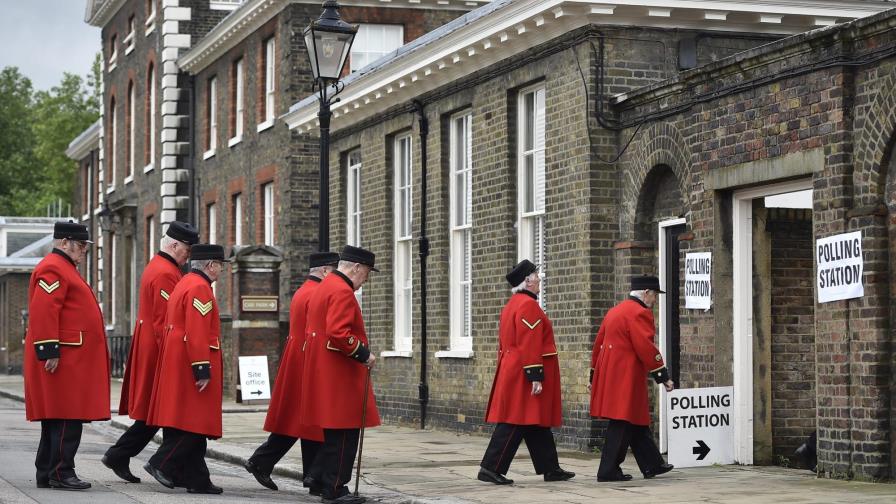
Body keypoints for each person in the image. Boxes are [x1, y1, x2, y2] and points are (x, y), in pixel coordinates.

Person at [103, 222, 198, 483]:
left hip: (151, 346)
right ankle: (157, 464)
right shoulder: (166, 273)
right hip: (158, 350)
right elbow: (163, 320)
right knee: (161, 410)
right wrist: (173, 356)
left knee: (155, 412)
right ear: (174, 245)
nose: (189, 255)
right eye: (187, 249)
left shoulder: (161, 267)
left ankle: (122, 456)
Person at [24, 221, 110, 490]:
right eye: (81, 245)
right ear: (64, 243)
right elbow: (45, 309)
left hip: (70, 356)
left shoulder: (64, 267)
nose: (84, 250)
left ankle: (46, 471)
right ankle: (61, 472)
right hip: (64, 356)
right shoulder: (54, 267)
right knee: (66, 417)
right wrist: (49, 348)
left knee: (57, 417)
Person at [245, 251, 340, 494]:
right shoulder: (317, 293)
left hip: (298, 358)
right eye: (335, 270)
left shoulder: (304, 290)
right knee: (312, 422)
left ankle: (265, 463)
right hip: (308, 360)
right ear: (325, 271)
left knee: (300, 422)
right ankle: (312, 477)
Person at [478, 259, 575, 485]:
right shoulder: (528, 306)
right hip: (524, 371)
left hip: (515, 368)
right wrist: (535, 375)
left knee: (534, 420)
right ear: (527, 281)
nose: (539, 280)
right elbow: (529, 342)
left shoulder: (514, 303)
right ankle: (490, 467)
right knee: (515, 420)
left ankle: (550, 468)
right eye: (536, 276)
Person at [144, 244, 230, 494]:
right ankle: (161, 463)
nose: (221, 271)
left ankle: (197, 479)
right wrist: (201, 367)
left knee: (188, 420)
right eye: (220, 266)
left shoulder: (185, 282)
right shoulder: (200, 288)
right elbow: (197, 330)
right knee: (195, 422)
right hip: (192, 361)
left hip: (180, 360)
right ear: (211, 265)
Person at [300, 245, 379, 504]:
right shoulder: (343, 291)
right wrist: (364, 354)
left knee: (334, 433)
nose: (366, 279)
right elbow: (338, 332)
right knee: (345, 433)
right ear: (356, 267)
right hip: (340, 372)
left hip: (325, 369)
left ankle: (318, 477)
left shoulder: (326, 285)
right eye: (366, 272)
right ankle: (334, 488)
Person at [590, 275, 675, 482]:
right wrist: (662, 375)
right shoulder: (640, 313)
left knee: (634, 417)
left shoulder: (615, 310)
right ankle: (608, 470)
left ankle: (652, 464)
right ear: (646, 293)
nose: (655, 300)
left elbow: (598, 343)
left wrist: (593, 375)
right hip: (625, 375)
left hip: (610, 371)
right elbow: (645, 347)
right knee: (622, 420)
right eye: (654, 295)